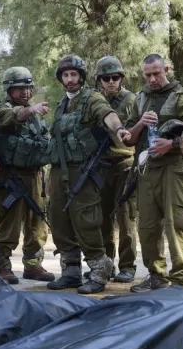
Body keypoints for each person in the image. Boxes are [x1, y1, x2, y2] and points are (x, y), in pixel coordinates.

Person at [45, 54, 132, 295]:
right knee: (59, 220)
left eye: (74, 75)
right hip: (59, 170)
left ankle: (99, 269)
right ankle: (70, 271)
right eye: (66, 75)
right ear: (61, 79)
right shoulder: (61, 104)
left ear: (81, 77)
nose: (70, 79)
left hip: (83, 170)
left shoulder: (92, 98)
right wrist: (50, 179)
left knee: (87, 221)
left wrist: (120, 129)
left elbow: (108, 114)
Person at [125, 54, 183, 292]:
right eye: (148, 75)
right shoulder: (140, 98)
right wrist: (140, 123)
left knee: (175, 224)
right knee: (147, 227)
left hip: (172, 169)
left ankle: (180, 281)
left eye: (156, 73)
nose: (152, 79)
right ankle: (156, 276)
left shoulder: (179, 97)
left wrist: (171, 145)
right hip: (146, 171)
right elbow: (129, 138)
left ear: (167, 69)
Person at [0, 66, 55, 284]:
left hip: (35, 175)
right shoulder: (2, 109)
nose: (25, 92)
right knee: (10, 224)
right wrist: (30, 110)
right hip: (11, 177)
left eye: (28, 88)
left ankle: (33, 265)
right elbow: (8, 117)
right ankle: (2, 266)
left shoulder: (35, 114)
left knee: (37, 223)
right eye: (19, 88)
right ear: (9, 90)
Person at [92, 55, 140, 284]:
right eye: (106, 78)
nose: (111, 82)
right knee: (101, 218)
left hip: (125, 165)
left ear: (121, 78)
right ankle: (105, 264)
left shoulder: (132, 100)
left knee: (125, 218)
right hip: (100, 167)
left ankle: (127, 266)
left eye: (115, 77)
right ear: (99, 80)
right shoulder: (93, 101)